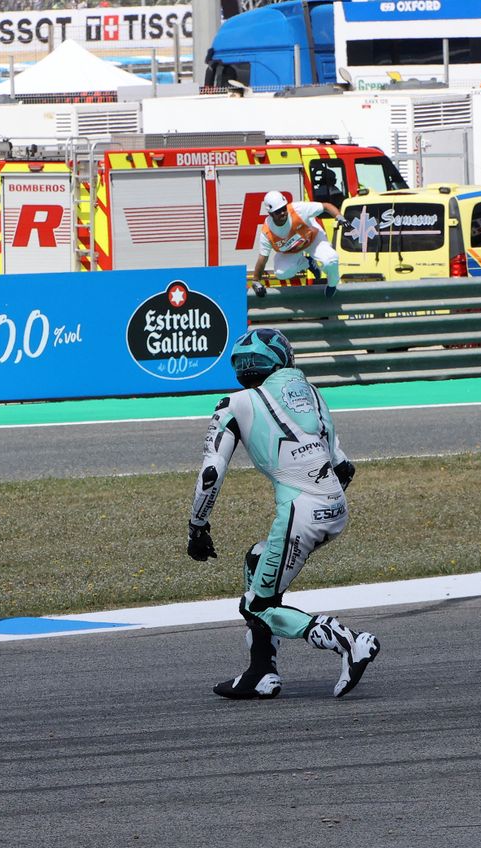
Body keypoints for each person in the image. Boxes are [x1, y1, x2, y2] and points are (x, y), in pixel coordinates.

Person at [188, 327, 379, 700]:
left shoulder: (234, 404)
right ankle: (261, 672)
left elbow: (211, 472)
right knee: (257, 560)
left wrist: (197, 525)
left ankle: (348, 641)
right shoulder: (312, 394)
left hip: (301, 512)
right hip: (335, 507)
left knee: (257, 605)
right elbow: (344, 467)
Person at [249, 190, 342, 299]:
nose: (283, 213)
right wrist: (255, 281)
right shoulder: (267, 232)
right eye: (278, 211)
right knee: (281, 273)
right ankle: (308, 262)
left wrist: (339, 216)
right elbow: (262, 259)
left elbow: (326, 206)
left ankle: (332, 284)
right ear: (270, 213)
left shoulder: (298, 209)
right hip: (292, 250)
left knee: (331, 260)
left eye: (284, 208)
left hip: (312, 238)